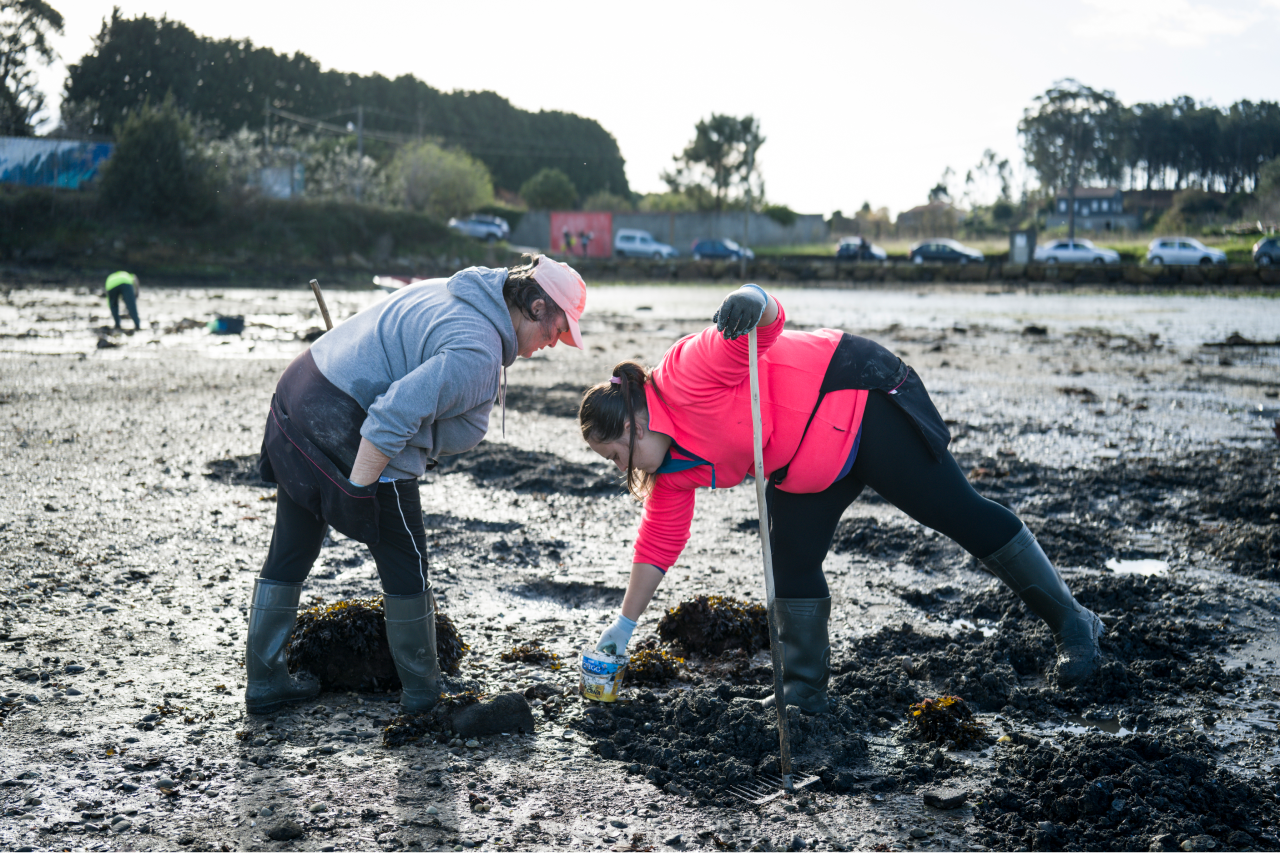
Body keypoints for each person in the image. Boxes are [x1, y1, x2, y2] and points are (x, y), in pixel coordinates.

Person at [578, 284, 1103, 714]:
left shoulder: (688, 371)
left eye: (617, 453)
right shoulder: (667, 471)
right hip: (804, 462)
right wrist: (622, 628)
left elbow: (767, 324)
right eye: (610, 462)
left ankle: (1075, 623)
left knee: (959, 513)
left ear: (637, 420)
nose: (620, 468)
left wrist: (750, 298)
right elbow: (658, 544)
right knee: (790, 562)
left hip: (857, 396)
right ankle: (803, 694)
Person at [246, 255, 588, 715]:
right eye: (558, 330)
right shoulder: (478, 352)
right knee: (407, 561)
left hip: (301, 391)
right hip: (348, 421)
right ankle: (425, 694)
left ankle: (266, 682)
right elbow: (391, 415)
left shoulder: (456, 292)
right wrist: (358, 489)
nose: (554, 343)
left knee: (292, 545)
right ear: (537, 306)